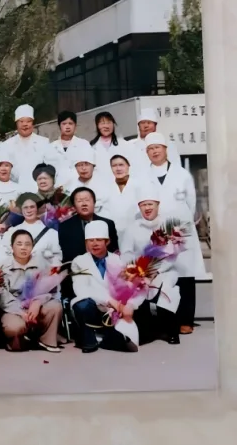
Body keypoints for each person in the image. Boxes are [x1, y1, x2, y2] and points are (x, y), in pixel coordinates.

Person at [144, 131, 206, 333]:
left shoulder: (182, 174)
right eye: (150, 149)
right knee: (163, 273)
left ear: (165, 150)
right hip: (156, 230)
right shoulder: (142, 176)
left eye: (157, 148)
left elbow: (191, 202)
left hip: (181, 229)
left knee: (185, 273)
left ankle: (186, 320)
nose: (154, 152)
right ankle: (167, 319)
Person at [121, 188, 184, 344]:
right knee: (135, 290)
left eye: (150, 204)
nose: (147, 208)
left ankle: (171, 330)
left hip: (165, 270)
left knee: (166, 290)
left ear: (157, 205)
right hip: (139, 271)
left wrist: (157, 271)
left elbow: (173, 255)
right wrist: (135, 269)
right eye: (143, 205)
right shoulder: (132, 228)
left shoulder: (168, 226)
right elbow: (126, 253)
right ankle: (144, 330)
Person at [70, 221, 142, 353]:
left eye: (99, 240)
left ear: (107, 241)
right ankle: (88, 338)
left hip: (115, 310)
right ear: (86, 243)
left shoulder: (119, 260)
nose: (94, 244)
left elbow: (131, 288)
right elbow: (82, 290)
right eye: (90, 240)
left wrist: (129, 305)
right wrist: (110, 300)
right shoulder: (79, 261)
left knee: (129, 345)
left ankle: (108, 338)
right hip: (93, 306)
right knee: (82, 304)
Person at [0, 230, 62, 352]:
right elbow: (3, 297)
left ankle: (46, 340)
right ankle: (19, 340)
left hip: (36, 307)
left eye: (27, 244)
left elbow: (52, 289)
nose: (23, 247)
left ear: (32, 247)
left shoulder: (42, 263)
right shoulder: (3, 267)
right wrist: (21, 312)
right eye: (19, 244)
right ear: (12, 247)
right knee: (14, 327)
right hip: (14, 309)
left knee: (55, 306)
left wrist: (38, 301)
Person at [58, 188, 120, 293]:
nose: (84, 204)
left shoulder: (108, 223)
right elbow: (66, 254)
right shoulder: (65, 226)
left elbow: (113, 249)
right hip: (78, 273)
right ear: (74, 206)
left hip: (105, 274)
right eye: (79, 201)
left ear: (94, 202)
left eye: (87, 200)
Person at [4, 105, 62, 185]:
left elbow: (53, 165)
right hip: (14, 187)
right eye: (21, 121)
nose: (25, 124)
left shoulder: (43, 142)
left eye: (28, 121)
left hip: (39, 187)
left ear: (32, 123)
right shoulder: (7, 145)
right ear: (16, 123)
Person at [3, 193, 61, 267]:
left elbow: (57, 258)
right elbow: (4, 255)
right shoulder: (11, 232)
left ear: (38, 209)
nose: (29, 210)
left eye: (32, 207)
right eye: (25, 207)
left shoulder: (51, 234)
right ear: (21, 210)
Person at [63, 148, 118, 218]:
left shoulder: (106, 183)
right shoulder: (69, 185)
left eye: (87, 164)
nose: (83, 168)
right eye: (79, 165)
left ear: (93, 166)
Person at [126, 108, 182, 175]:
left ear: (155, 125)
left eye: (149, 123)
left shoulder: (168, 144)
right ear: (138, 126)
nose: (146, 126)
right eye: (143, 123)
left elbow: (176, 166)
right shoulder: (130, 145)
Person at [51, 111, 92, 183]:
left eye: (70, 123)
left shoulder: (84, 144)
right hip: (58, 186)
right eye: (64, 124)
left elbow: (89, 167)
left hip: (80, 185)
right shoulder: (51, 147)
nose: (67, 127)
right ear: (59, 126)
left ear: (75, 126)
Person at [87, 112, 123, 183]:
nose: (106, 126)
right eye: (102, 123)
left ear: (113, 125)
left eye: (109, 122)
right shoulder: (91, 146)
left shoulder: (123, 144)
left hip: (120, 182)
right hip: (99, 183)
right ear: (97, 126)